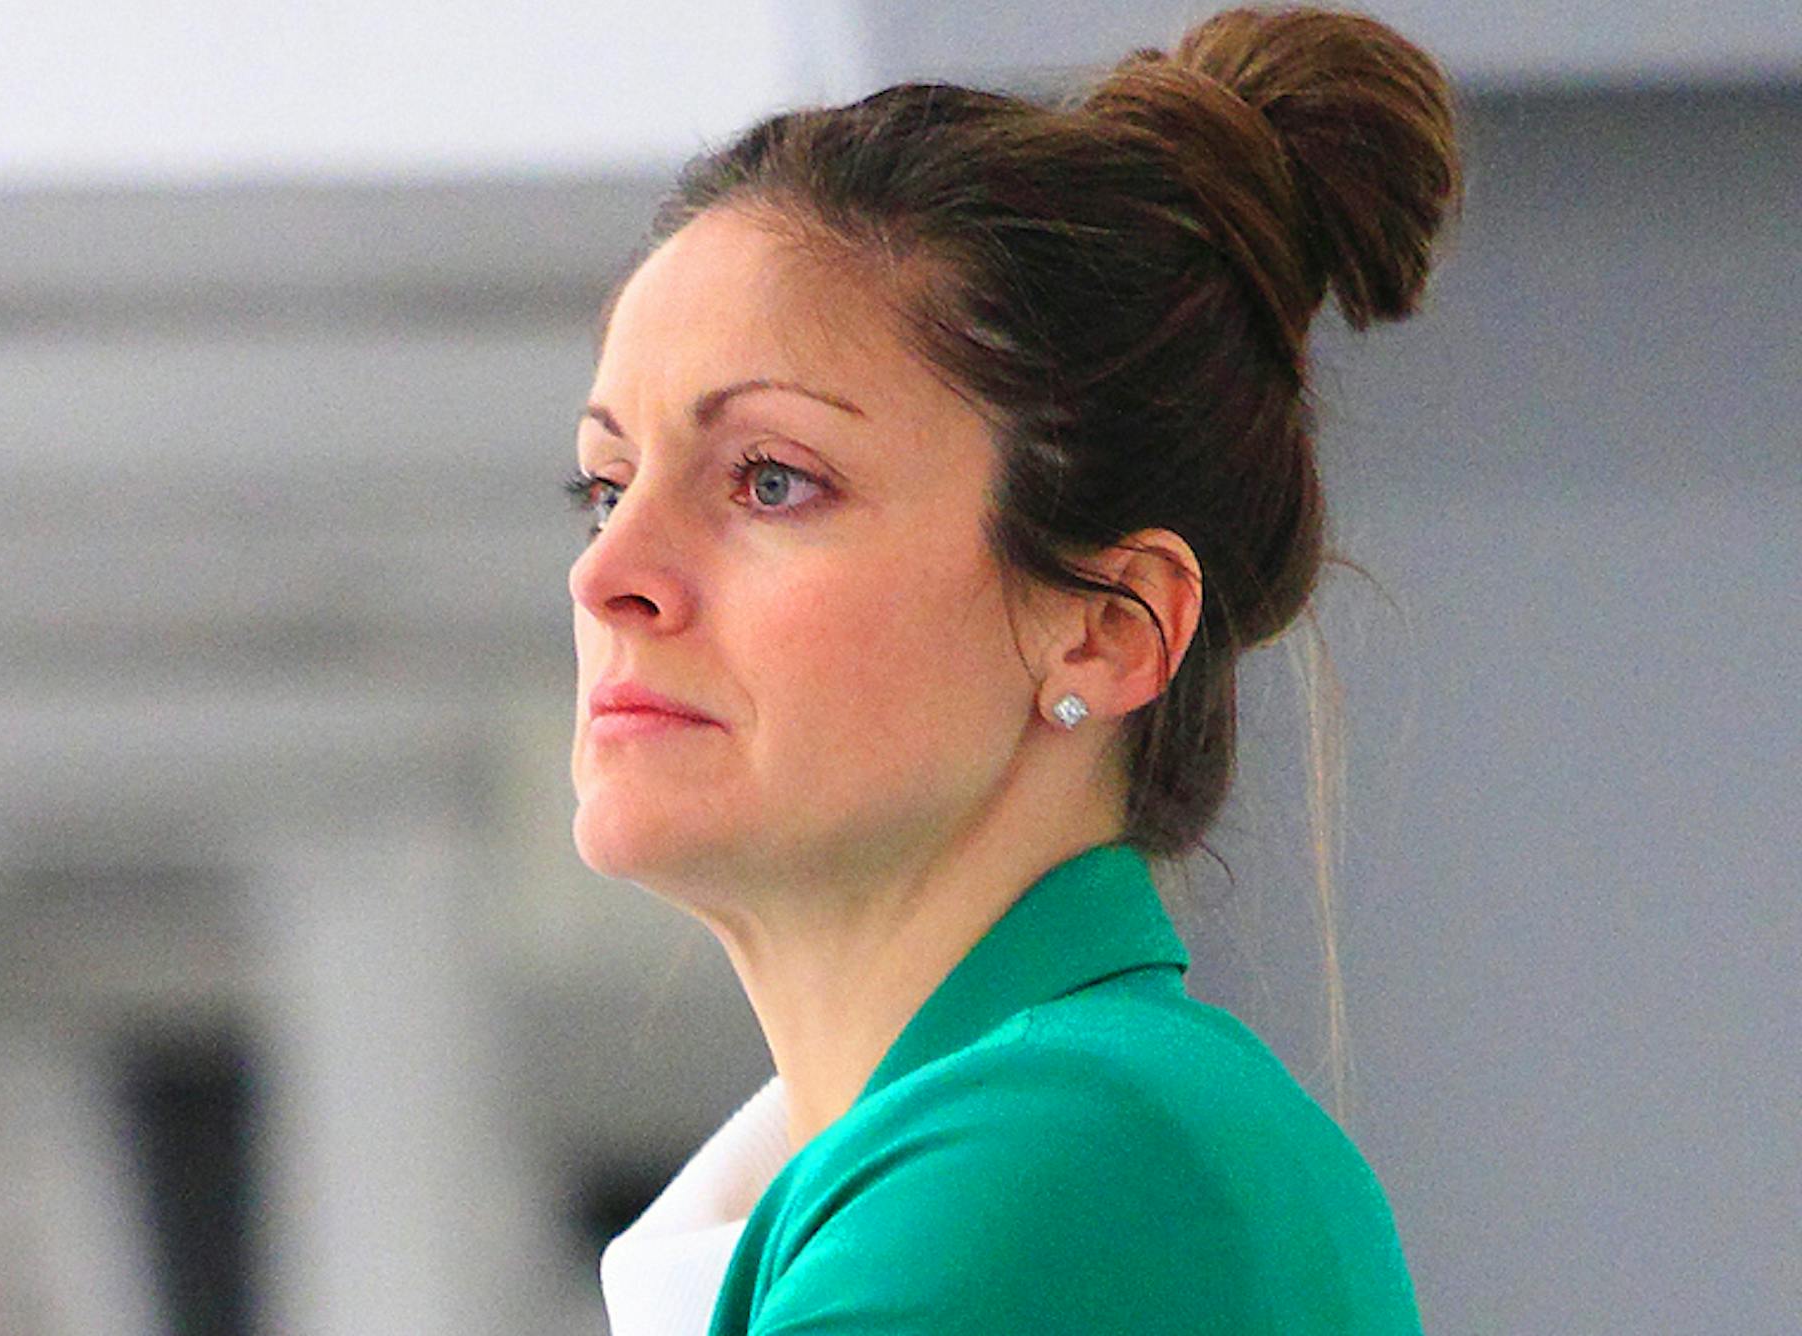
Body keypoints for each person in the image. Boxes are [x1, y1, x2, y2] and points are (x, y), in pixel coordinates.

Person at [564, 6, 1459, 1332]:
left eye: (770, 480)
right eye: (605, 486)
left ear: (1105, 626)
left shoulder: (1073, 1164)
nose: (609, 576)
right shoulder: (1025, 1146)